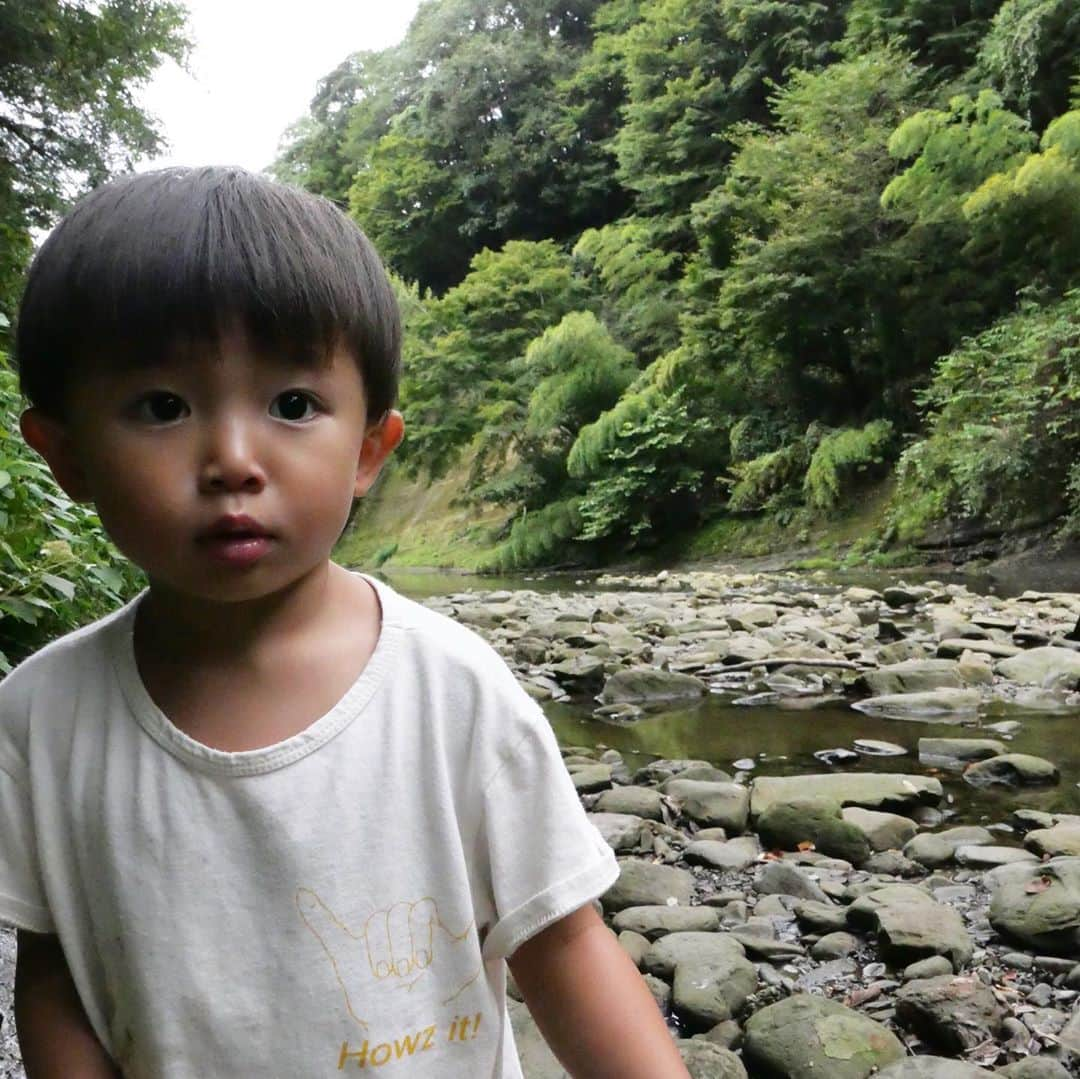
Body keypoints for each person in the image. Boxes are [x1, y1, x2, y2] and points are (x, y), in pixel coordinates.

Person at [0, 167, 691, 1078]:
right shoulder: (43, 716)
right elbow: (53, 972)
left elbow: (561, 942)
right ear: (66, 454)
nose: (234, 460)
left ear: (369, 450)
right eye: (162, 407)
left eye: (293, 405)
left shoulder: (449, 689)